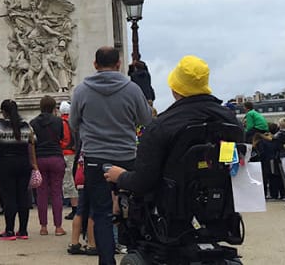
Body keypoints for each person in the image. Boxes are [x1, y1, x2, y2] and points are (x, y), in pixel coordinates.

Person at [103, 55, 241, 195]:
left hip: (175, 210)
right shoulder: (230, 120)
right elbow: (234, 164)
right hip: (221, 206)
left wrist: (121, 177)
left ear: (174, 88)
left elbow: (144, 181)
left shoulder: (161, 126)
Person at [69, 46, 152, 265]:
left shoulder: (81, 91)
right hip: (126, 156)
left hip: (95, 159)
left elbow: (73, 123)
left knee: (101, 214)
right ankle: (136, 254)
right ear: (119, 64)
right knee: (135, 208)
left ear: (95, 65)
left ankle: (107, 261)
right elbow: (146, 120)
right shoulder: (133, 90)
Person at [0, 99, 36, 241]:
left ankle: (9, 230)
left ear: (3, 111)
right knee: (23, 196)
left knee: (9, 197)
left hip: (6, 163)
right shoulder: (26, 126)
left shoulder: (0, 127)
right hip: (23, 163)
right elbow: (33, 141)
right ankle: (23, 230)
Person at [30, 95, 65, 236]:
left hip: (40, 159)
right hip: (56, 157)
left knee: (41, 194)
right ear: (53, 107)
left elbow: (32, 142)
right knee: (56, 193)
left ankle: (43, 227)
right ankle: (58, 227)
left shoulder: (33, 122)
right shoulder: (58, 121)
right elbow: (61, 137)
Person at [58, 101, 79, 220]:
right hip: (74, 152)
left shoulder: (62, 123)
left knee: (69, 182)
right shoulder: (73, 122)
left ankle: (75, 208)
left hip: (66, 153)